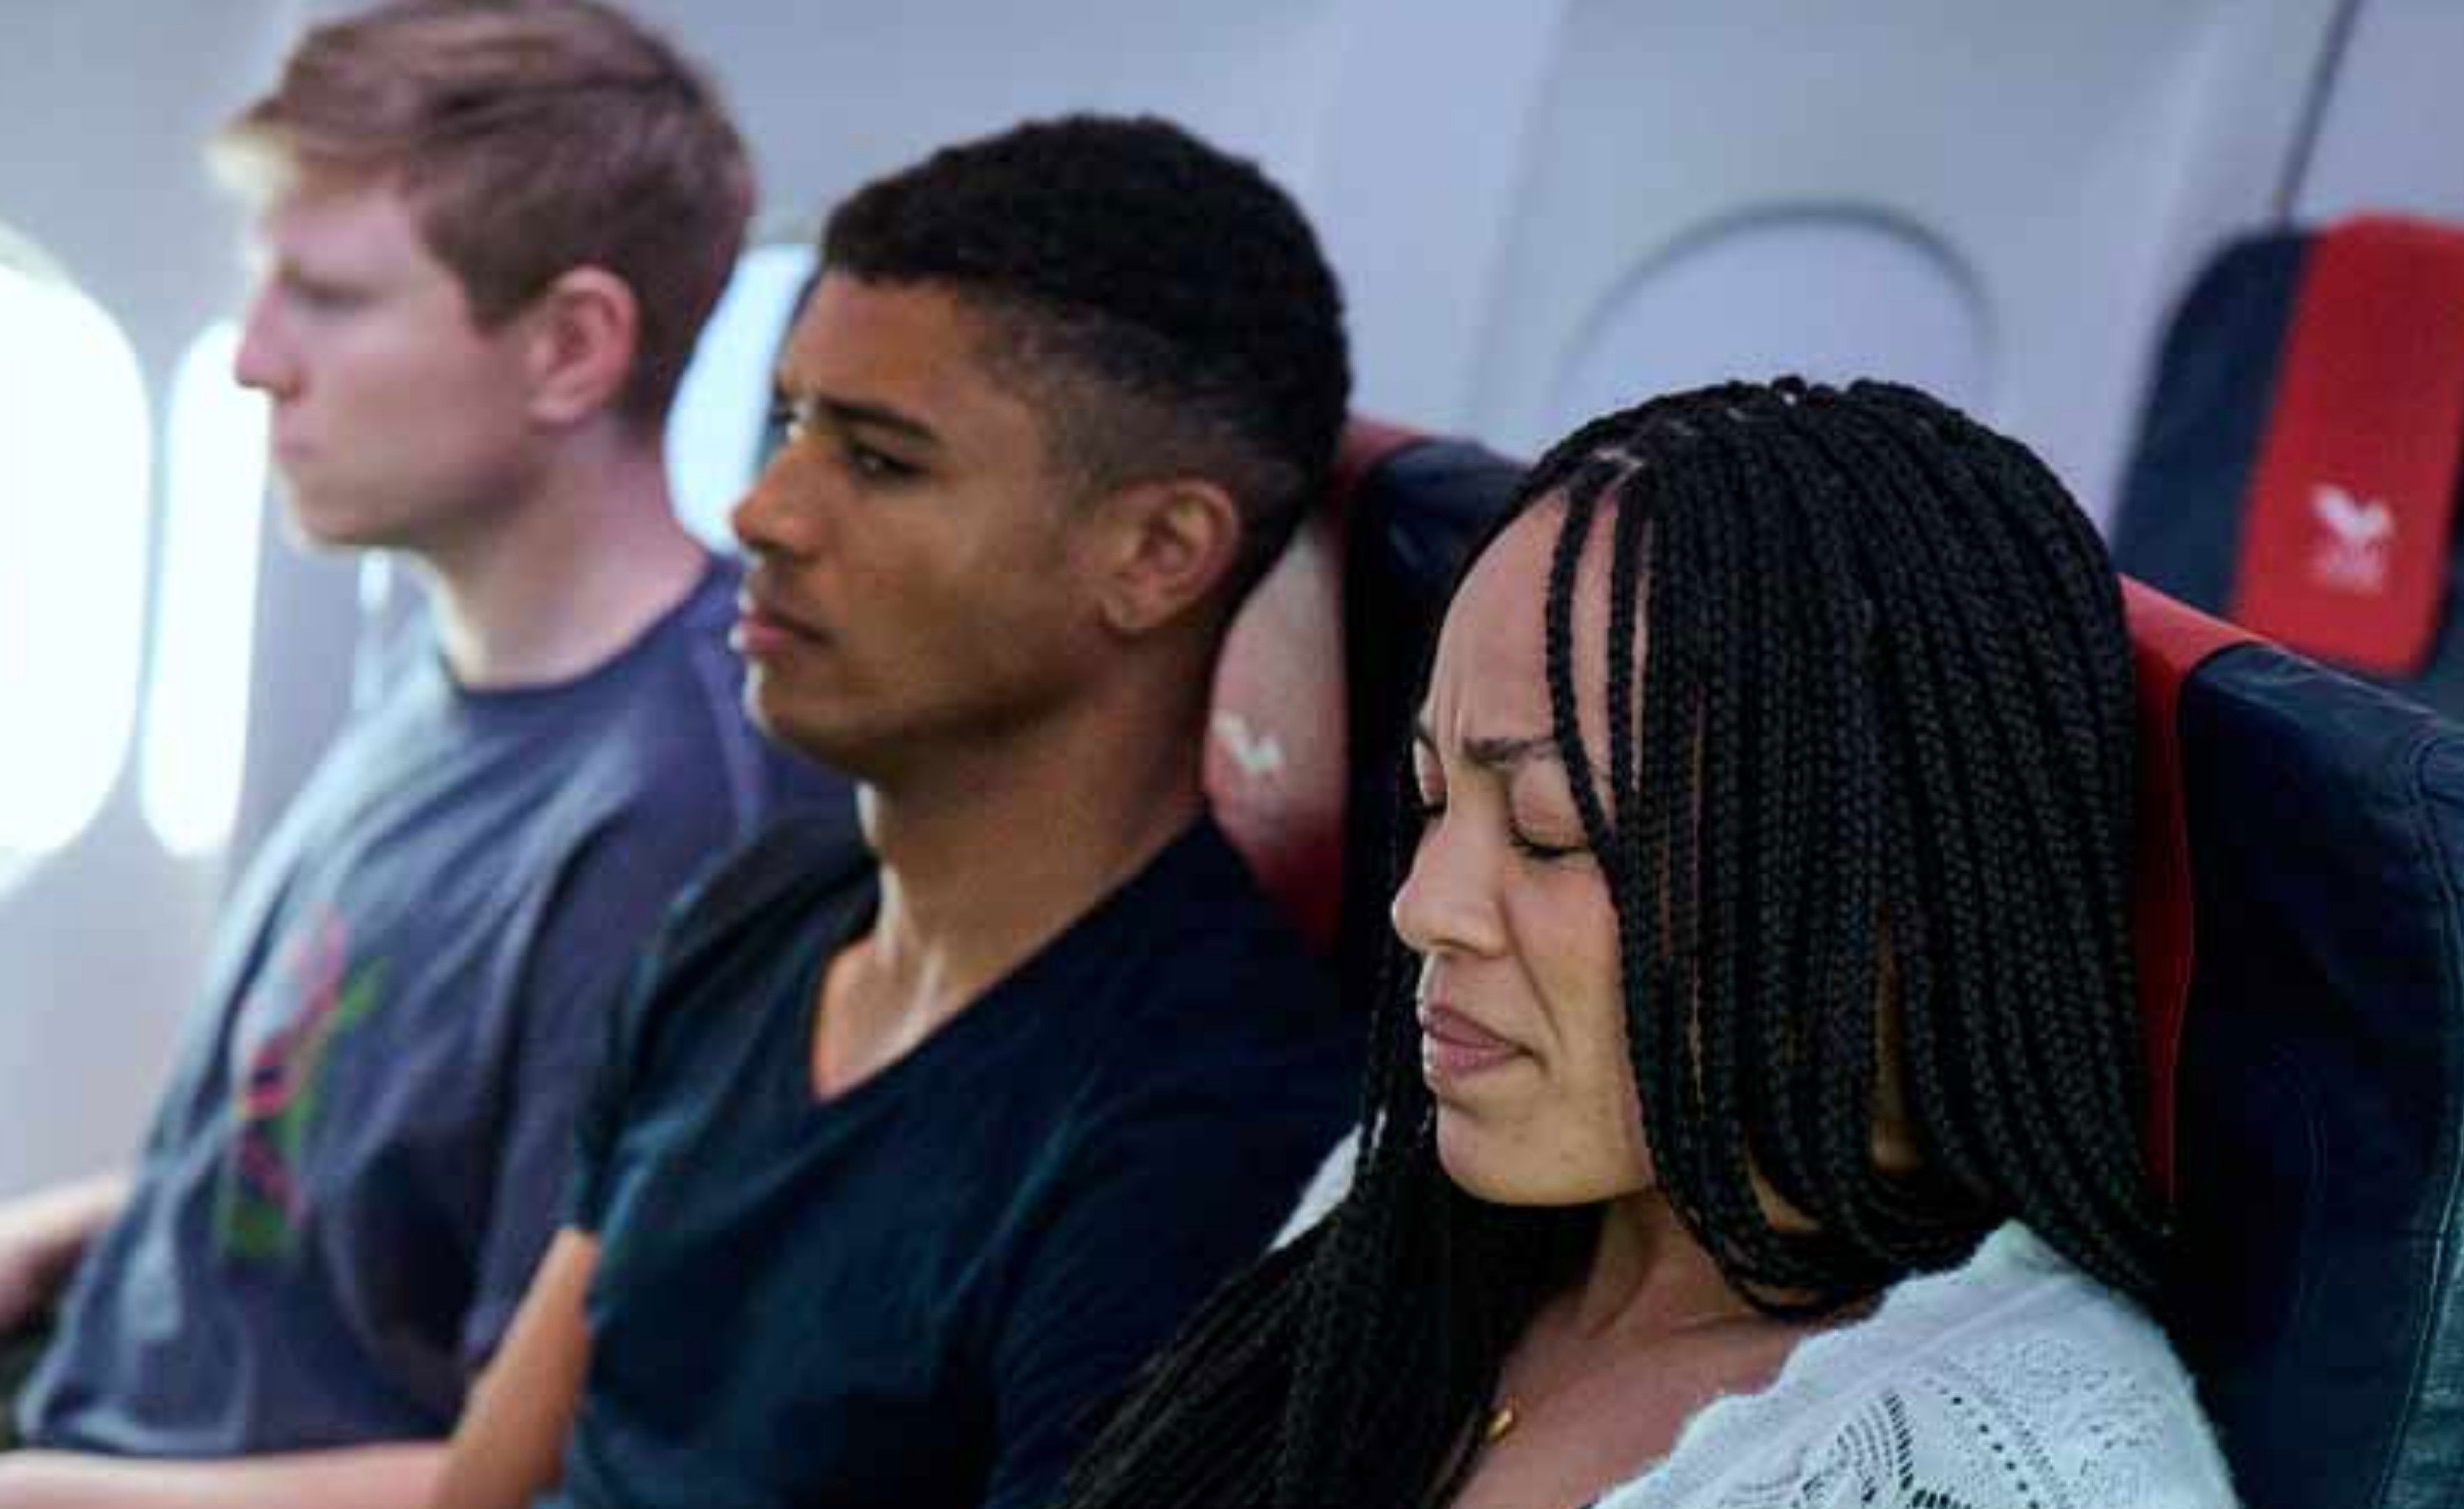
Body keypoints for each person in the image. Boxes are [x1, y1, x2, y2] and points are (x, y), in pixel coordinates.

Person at [1056, 378, 2241, 1509]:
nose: (1424, 906)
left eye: (1549, 830)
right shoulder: (1413, 1197)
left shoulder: (2007, 1468)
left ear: (1875, 888)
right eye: (1433, 801)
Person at [423, 116, 1361, 1509]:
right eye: (790, 425)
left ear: (1156, 554)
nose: (764, 511)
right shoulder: (748, 923)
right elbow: (488, 1484)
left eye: (878, 461)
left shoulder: (1207, 1133)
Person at [0, 3, 835, 1503]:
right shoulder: (434, 664)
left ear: (571, 347)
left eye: (325, 298)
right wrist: (58, 1241)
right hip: (92, 1418)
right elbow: (322, 1170)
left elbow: (532, 1468)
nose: (256, 360)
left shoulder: (674, 819)